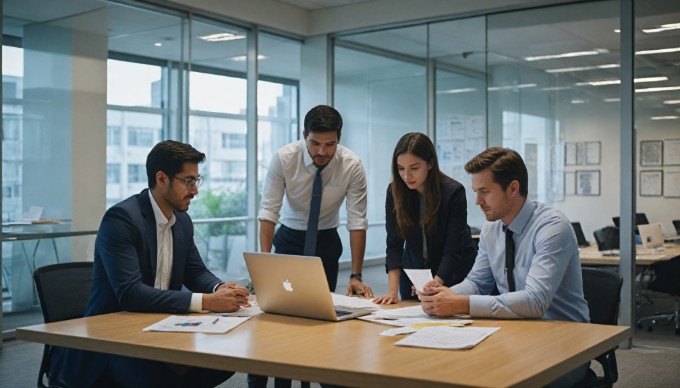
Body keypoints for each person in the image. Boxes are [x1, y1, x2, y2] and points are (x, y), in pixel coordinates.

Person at [48, 140, 250, 388]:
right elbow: (130, 293)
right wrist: (207, 301)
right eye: (188, 181)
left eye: (197, 180)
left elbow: (195, 271)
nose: (195, 190)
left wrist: (219, 288)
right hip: (112, 344)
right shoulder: (122, 219)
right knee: (162, 377)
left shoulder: (182, 221)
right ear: (162, 178)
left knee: (223, 362)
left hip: (160, 330)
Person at [418, 147, 590, 387]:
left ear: (513, 188)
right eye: (476, 192)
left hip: (565, 346)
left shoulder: (552, 228)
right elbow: (477, 283)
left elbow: (536, 301)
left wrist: (460, 304)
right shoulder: (492, 227)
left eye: (485, 192)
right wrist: (442, 296)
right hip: (516, 335)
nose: (477, 201)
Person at [254, 105, 372, 388]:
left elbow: (357, 220)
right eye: (315, 143)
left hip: (326, 241)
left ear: (338, 139)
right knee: (281, 316)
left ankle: (322, 374)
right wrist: (265, 267)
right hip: (289, 239)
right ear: (304, 135)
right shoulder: (284, 158)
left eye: (330, 144)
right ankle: (277, 379)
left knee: (323, 316)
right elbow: (269, 212)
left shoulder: (351, 164)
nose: (322, 151)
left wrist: (356, 275)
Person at [373, 132, 476, 304]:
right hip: (414, 275)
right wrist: (392, 291)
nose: (407, 176)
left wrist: (435, 283)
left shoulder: (453, 192)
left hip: (452, 274)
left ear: (430, 163)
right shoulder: (395, 191)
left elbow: (453, 249)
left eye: (414, 168)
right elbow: (394, 244)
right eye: (400, 169)